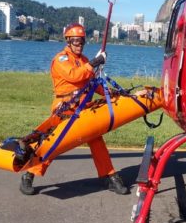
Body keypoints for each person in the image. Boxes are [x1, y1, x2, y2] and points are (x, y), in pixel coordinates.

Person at [19, 23, 129, 196]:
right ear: (69, 41)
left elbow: (94, 83)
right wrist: (95, 62)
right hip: (65, 109)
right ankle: (29, 175)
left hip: (84, 108)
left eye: (82, 41)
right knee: (53, 144)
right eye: (76, 41)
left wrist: (113, 93)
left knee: (96, 140)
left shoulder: (84, 61)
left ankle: (110, 177)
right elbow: (74, 75)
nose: (79, 44)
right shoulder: (61, 59)